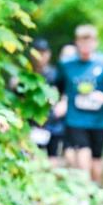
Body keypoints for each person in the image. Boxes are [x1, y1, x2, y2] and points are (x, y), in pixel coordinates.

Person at [55, 24, 103, 195]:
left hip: (99, 120)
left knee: (96, 160)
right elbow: (57, 86)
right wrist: (61, 101)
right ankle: (84, 194)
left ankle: (94, 188)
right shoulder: (67, 64)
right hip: (76, 118)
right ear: (77, 43)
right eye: (82, 42)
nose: (85, 47)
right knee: (82, 153)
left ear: (95, 43)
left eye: (89, 42)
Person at [29, 39, 67, 167]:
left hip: (53, 122)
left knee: (53, 159)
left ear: (49, 54)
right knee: (32, 156)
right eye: (38, 52)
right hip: (31, 121)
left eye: (43, 53)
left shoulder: (56, 74)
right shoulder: (25, 75)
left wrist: (61, 107)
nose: (40, 56)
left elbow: (65, 94)